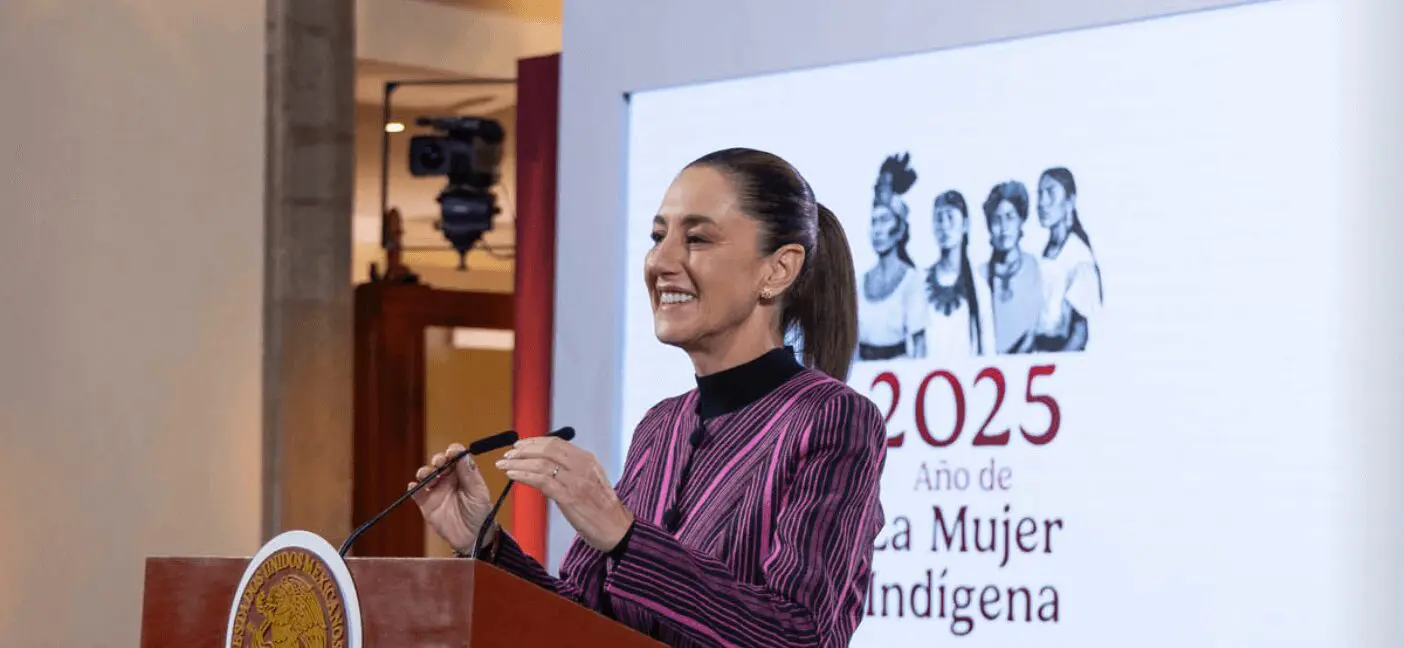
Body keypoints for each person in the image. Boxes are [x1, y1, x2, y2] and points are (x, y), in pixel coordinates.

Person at [412, 147, 888, 647]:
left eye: (697, 238)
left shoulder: (832, 417)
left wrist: (625, 535)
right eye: (658, 237)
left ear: (778, 270)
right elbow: (583, 623)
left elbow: (799, 636)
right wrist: (486, 545)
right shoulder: (661, 426)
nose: (660, 261)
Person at [858, 153, 928, 360]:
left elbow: (920, 346)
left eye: (884, 220)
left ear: (899, 228)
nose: (878, 230)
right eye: (874, 222)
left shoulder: (911, 280)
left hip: (897, 375)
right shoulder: (860, 283)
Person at [1032, 167, 1103, 351]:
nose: (1042, 203)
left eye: (1050, 193)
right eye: (1040, 194)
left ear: (1070, 201)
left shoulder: (1078, 256)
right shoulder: (1048, 251)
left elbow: (1079, 334)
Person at [924, 190, 996, 358]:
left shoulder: (979, 288)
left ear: (965, 224)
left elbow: (988, 351)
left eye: (950, 217)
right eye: (939, 219)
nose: (944, 226)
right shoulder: (921, 283)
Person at [978, 181, 1044, 353]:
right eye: (997, 220)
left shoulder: (1036, 268)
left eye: (1010, 217)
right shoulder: (980, 276)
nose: (1004, 228)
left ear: (1020, 221)